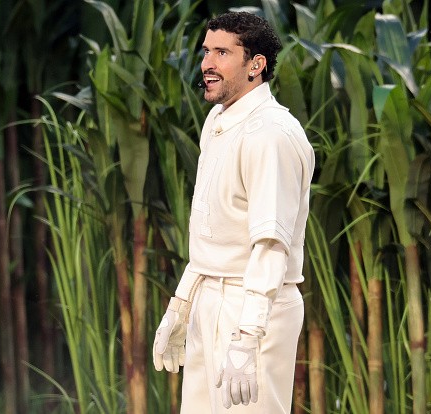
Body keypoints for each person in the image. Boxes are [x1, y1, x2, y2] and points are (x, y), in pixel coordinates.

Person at [152, 11, 315, 414]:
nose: (207, 63)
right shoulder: (218, 120)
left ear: (256, 65)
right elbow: (214, 230)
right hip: (209, 297)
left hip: (254, 307)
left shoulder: (271, 135)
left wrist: (248, 335)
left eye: (222, 53)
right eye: (206, 51)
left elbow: (271, 244)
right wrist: (181, 305)